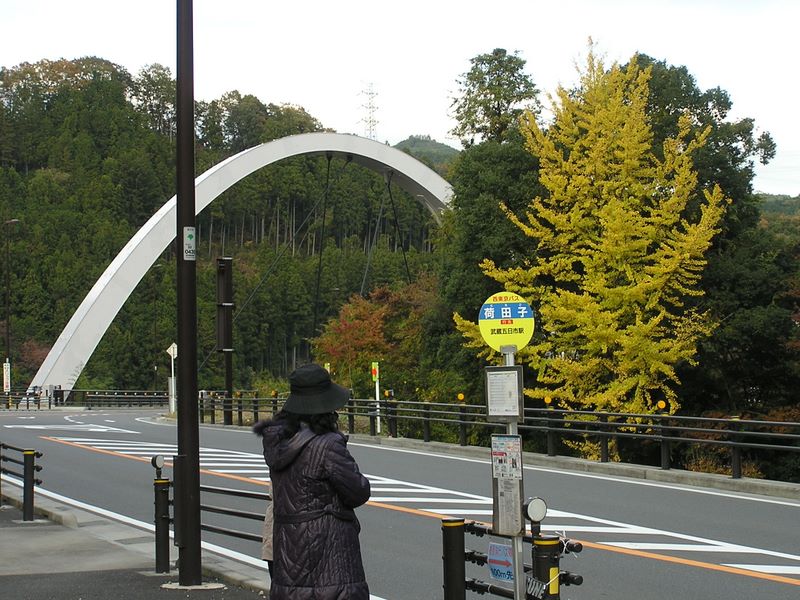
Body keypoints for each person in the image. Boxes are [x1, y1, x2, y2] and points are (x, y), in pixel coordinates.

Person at [253, 363, 371, 600]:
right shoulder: (327, 445)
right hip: (328, 553)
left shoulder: (279, 440)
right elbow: (358, 491)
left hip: (288, 548)